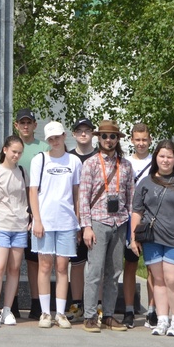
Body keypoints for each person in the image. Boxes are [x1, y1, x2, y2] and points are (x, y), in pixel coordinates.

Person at [129, 140, 174, 337]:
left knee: (172, 279)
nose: (165, 160)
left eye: (169, 156)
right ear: (156, 158)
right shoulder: (146, 182)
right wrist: (133, 237)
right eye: (161, 156)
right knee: (158, 280)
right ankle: (162, 320)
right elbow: (137, 211)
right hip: (152, 238)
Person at [78, 119, 134, 332]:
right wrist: (86, 226)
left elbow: (131, 197)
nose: (108, 140)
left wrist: (130, 227)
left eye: (112, 137)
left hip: (119, 221)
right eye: (104, 136)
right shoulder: (91, 163)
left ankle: (109, 314)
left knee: (114, 271)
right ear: (98, 138)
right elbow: (83, 197)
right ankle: (90, 316)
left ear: (117, 139)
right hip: (98, 221)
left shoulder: (125, 164)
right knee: (95, 270)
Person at [29, 121, 82, 329]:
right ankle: (45, 312)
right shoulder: (39, 160)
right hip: (45, 220)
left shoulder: (75, 161)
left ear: (64, 136)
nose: (55, 141)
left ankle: (60, 313)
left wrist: (78, 220)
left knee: (62, 267)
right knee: (44, 266)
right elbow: (33, 191)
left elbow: (76, 192)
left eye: (58, 137)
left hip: (67, 221)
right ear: (47, 140)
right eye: (51, 139)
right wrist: (37, 220)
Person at [0, 135, 29, 328]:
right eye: (13, 152)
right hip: (1, 223)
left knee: (14, 269)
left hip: (19, 225)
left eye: (19, 153)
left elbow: (27, 198)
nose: (16, 156)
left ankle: (7, 309)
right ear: (5, 150)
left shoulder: (23, 172)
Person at [13, 108, 43, 320]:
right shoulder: (11, 147)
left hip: (37, 208)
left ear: (35, 125)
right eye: (22, 123)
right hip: (14, 209)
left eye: (29, 122)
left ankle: (36, 303)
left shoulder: (44, 148)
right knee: (12, 261)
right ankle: (11, 303)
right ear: (16, 125)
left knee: (34, 261)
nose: (25, 126)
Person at [67, 117, 97, 320]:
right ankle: (76, 304)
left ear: (93, 133)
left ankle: (97, 305)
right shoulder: (68, 158)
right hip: (74, 218)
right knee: (76, 263)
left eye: (87, 130)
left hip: (98, 217)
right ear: (74, 134)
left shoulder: (100, 156)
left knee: (97, 263)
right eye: (80, 130)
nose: (83, 133)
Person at [124, 122, 153, 328]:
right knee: (130, 266)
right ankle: (129, 309)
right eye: (138, 140)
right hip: (128, 219)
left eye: (144, 140)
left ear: (150, 140)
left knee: (153, 268)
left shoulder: (156, 161)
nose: (141, 143)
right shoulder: (126, 162)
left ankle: (152, 310)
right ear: (132, 140)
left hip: (151, 220)